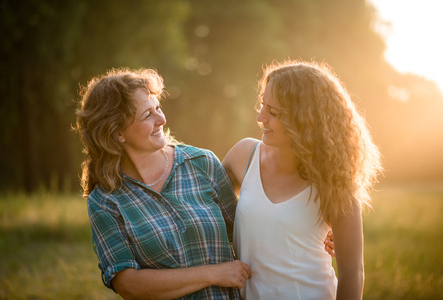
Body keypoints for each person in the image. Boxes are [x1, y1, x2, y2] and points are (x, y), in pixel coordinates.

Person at [75, 67, 251, 299]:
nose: (162, 119)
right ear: (118, 133)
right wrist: (214, 274)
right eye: (148, 115)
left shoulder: (202, 163)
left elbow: (247, 235)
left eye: (158, 108)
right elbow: (128, 284)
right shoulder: (105, 200)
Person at [223, 60, 382, 300]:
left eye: (273, 112)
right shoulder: (243, 156)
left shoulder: (334, 179)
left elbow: (352, 271)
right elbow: (200, 204)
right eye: (262, 104)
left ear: (304, 119)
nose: (260, 117)